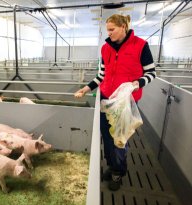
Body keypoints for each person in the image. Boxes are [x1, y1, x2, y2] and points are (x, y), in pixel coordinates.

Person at [74, 14, 156, 191]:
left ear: (123, 27)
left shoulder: (140, 46)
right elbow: (101, 76)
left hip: (124, 101)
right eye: (107, 30)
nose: (109, 33)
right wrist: (86, 88)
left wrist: (137, 83)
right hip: (106, 98)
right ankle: (112, 166)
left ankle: (118, 172)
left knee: (119, 139)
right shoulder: (105, 49)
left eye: (112, 29)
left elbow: (151, 73)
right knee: (107, 136)